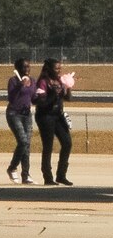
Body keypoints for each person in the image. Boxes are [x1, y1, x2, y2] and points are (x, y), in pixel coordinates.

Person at [34, 58, 74, 186]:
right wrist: (53, 94)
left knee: (67, 143)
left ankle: (61, 175)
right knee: (48, 146)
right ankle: (48, 176)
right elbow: (41, 102)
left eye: (60, 68)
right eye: (56, 68)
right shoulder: (43, 82)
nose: (59, 71)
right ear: (49, 69)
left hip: (58, 115)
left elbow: (68, 98)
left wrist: (68, 87)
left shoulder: (58, 81)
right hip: (45, 116)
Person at [5, 58, 35, 185]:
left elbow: (33, 98)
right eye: (24, 67)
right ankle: (12, 168)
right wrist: (19, 85)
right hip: (14, 114)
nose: (27, 69)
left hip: (26, 114)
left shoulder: (33, 81)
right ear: (17, 68)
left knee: (27, 145)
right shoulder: (13, 81)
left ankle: (26, 175)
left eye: (28, 67)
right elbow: (11, 98)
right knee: (22, 141)